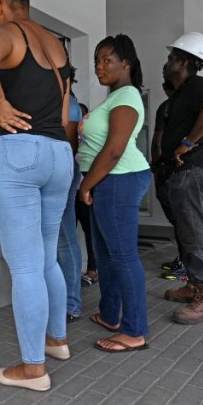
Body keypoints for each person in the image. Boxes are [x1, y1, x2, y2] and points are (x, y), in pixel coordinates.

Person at [0, 0, 73, 392]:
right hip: (58, 155)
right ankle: (57, 340)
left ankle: (32, 370)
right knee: (47, 257)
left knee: (25, 265)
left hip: (18, 153)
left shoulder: (6, 33)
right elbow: (65, 111)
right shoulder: (55, 44)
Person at [78, 34, 151, 352]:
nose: (99, 67)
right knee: (105, 253)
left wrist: (86, 184)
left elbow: (114, 150)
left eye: (106, 59)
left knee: (122, 256)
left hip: (118, 178)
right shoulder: (115, 97)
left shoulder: (127, 97)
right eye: (96, 61)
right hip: (108, 180)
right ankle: (110, 315)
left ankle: (134, 331)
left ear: (126, 64)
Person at [160, 33, 203, 324]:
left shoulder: (197, 85)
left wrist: (187, 142)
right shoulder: (181, 93)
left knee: (196, 232)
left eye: (172, 57)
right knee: (187, 231)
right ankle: (193, 286)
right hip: (182, 172)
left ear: (184, 62)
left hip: (194, 169)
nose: (168, 62)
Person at [57, 71, 85, 322]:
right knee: (59, 239)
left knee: (65, 238)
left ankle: (71, 304)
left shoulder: (71, 105)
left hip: (64, 173)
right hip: (57, 174)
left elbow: (69, 147)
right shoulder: (57, 101)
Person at [152, 81, 186, 277]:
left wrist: (156, 163)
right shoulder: (170, 107)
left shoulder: (167, 107)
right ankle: (183, 258)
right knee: (181, 220)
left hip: (172, 168)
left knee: (181, 220)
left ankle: (186, 262)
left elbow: (157, 139)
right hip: (176, 167)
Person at [77, 103, 99, 288]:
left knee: (90, 230)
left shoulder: (89, 140)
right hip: (69, 190)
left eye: (82, 116)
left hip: (85, 189)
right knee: (67, 232)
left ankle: (93, 270)